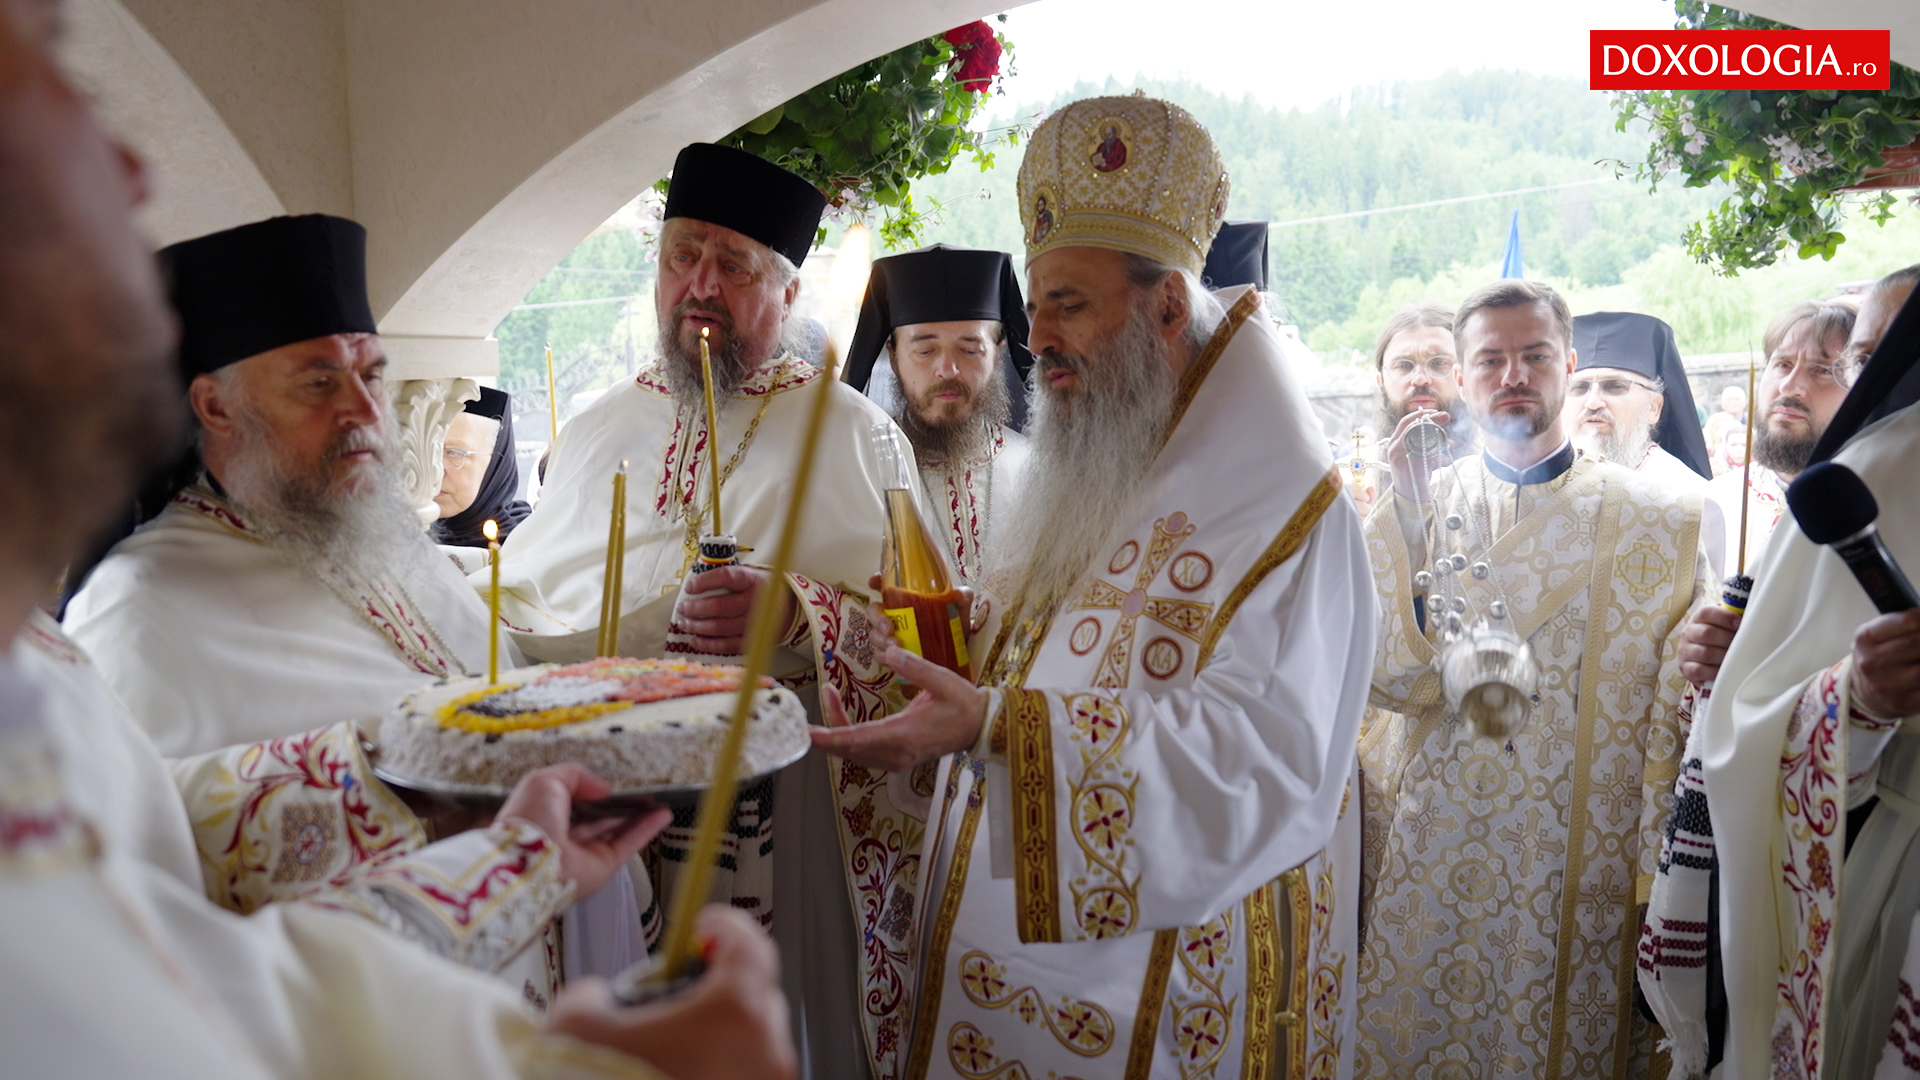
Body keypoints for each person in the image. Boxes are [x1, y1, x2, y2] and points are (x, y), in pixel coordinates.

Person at [0, 2, 793, 1074]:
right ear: (215, 409)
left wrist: (518, 849)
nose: (368, 414)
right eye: (320, 382)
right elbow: (188, 953)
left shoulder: (381, 548)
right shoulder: (139, 613)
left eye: (372, 375)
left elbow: (186, 964)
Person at [813, 93, 1375, 1079]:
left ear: (1166, 305)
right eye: (1037, 308)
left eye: (1070, 303)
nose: (1041, 341)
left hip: (1172, 984)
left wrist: (994, 727)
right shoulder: (1108, 459)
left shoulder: (1284, 515)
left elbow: (1266, 763)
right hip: (1022, 962)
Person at [488, 142, 901, 1078]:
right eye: (683, 257)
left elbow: (934, 634)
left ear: (787, 295)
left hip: (788, 802)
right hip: (616, 791)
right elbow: (526, 592)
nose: (700, 285)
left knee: (781, 1018)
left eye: (735, 265)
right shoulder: (602, 426)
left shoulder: (856, 435)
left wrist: (797, 616)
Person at [1357, 280, 1706, 1075]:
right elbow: (1392, 681)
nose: (1513, 374)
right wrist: (1402, 526)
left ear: (1568, 365)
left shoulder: (1660, 522)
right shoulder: (1416, 508)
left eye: (1534, 355)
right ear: (1465, 376)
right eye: (1491, 359)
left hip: (1583, 862)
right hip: (1440, 841)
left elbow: (1677, 710)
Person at [1642, 266, 1920, 1078]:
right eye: (1865, 359)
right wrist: (1742, 673)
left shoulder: (1880, 469)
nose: (1793, 387)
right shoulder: (1852, 483)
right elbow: (1743, 700)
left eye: (1835, 366)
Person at [843, 243, 1033, 584]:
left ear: (999, 352)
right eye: (925, 350)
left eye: (970, 349)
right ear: (894, 355)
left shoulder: (1035, 467)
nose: (948, 369)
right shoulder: (859, 473)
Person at [1703, 297, 1857, 577]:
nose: (1789, 386)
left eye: (1822, 370)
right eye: (1783, 365)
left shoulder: (1887, 505)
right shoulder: (1714, 502)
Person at [1563, 310, 1725, 575]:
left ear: (1653, 407)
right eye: (1578, 388)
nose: (1592, 402)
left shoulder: (1693, 500)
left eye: (1615, 387)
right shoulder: (1542, 490)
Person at [435, 385, 532, 549]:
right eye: (427, 451)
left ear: (496, 466)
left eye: (453, 453)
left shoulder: (527, 543)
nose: (434, 470)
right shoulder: (393, 537)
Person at [1703, 382, 1748, 475]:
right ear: (1722, 404)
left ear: (1745, 403)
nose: (1733, 402)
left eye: (1737, 399)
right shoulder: (1713, 421)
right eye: (1729, 399)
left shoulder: (1754, 421)